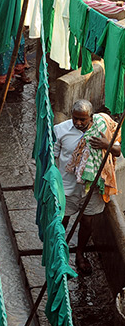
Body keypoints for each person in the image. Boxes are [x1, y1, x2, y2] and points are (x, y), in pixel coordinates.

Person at [54, 99, 121, 275]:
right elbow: (53, 157)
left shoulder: (102, 127)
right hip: (67, 186)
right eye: (75, 118)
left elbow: (117, 150)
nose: (78, 123)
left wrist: (106, 145)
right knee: (63, 219)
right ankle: (59, 252)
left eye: (82, 120)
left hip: (91, 188)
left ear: (91, 117)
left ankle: (79, 254)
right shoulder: (61, 130)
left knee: (87, 221)